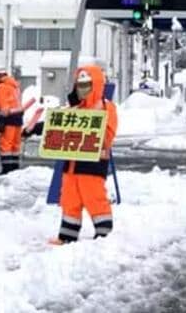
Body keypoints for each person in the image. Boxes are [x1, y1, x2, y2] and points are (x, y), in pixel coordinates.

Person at [51, 64, 118, 245]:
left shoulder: (106, 107)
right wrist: (36, 129)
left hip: (93, 163)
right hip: (72, 163)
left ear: (96, 84)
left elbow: (108, 136)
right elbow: (57, 127)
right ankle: (67, 236)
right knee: (69, 199)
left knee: (94, 197)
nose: (82, 89)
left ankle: (104, 235)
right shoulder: (73, 109)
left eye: (87, 85)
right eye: (80, 85)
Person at [0, 67, 23, 175]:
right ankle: (14, 168)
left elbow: (3, 105)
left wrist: (2, 121)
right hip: (18, 118)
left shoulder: (2, 86)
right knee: (15, 144)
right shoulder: (15, 86)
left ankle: (7, 169)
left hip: (8, 118)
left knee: (6, 144)